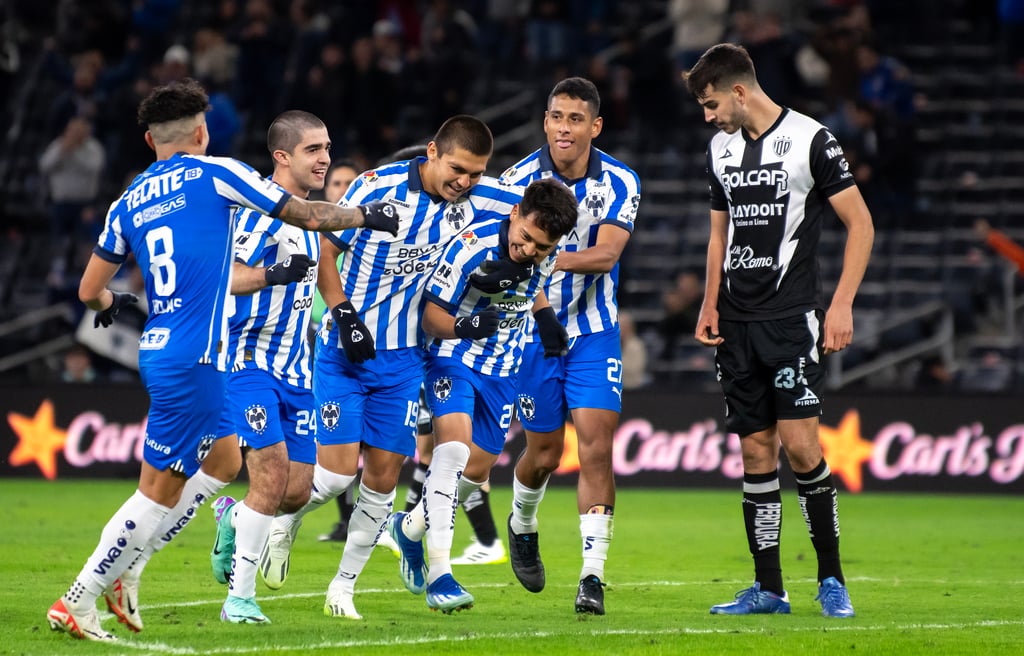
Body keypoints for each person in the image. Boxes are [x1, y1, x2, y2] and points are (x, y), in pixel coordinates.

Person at [47, 77, 398, 643]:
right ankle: (81, 596)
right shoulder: (218, 172)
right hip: (203, 356)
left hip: (158, 350)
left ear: (149, 139)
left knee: (221, 463)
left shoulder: (127, 198)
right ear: (203, 132)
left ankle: (124, 573)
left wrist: (113, 301)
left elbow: (89, 291)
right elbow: (306, 216)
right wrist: (366, 216)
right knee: (156, 492)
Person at [258, 115, 518, 620]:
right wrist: (344, 314)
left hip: (405, 363)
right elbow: (325, 251)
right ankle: (281, 522)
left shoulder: (478, 201)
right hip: (344, 352)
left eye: (476, 174)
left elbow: (535, 205)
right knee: (333, 481)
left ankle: (342, 590)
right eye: (458, 169)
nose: (465, 183)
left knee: (381, 483)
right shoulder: (377, 187)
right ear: (432, 153)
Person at [683, 43, 873, 618]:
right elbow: (720, 235)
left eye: (713, 104)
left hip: (792, 320)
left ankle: (831, 579)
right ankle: (769, 589)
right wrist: (709, 302)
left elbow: (860, 224)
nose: (709, 117)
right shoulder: (720, 148)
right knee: (755, 453)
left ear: (739, 91)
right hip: (736, 323)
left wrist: (841, 305)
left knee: (801, 446)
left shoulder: (812, 140)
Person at [387, 177, 579, 613]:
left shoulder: (543, 255)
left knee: (474, 474)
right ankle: (441, 575)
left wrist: (545, 315)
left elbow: (532, 285)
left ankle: (410, 528)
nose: (529, 250)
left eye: (542, 247)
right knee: (451, 453)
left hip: (503, 372)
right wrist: (465, 326)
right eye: (525, 238)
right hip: (452, 356)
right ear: (515, 215)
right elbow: (432, 314)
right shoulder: (471, 247)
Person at [500, 76, 641, 616]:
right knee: (543, 456)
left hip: (594, 331)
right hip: (530, 334)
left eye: (576, 118)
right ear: (545, 120)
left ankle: (592, 577)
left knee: (596, 448)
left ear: (595, 126)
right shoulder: (514, 181)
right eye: (557, 116)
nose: (564, 127)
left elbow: (606, 256)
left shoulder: (620, 181)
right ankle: (523, 522)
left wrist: (538, 254)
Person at [206, 110, 334, 624]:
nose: (325, 157)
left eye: (327, 147)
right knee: (270, 475)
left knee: (296, 491)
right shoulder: (257, 210)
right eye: (313, 150)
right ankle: (239, 598)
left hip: (295, 368)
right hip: (246, 360)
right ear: (282, 157)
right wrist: (273, 273)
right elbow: (226, 279)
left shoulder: (311, 217)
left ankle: (232, 516)